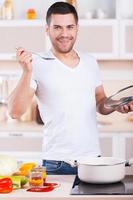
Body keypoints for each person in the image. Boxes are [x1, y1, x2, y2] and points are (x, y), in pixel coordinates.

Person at [8, 2, 133, 175]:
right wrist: (26, 71)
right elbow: (15, 112)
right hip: (57, 163)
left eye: (69, 27)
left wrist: (116, 105)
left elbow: (100, 103)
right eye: (57, 27)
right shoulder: (36, 63)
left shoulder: (90, 62)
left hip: (92, 160)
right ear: (47, 30)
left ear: (77, 29)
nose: (64, 34)